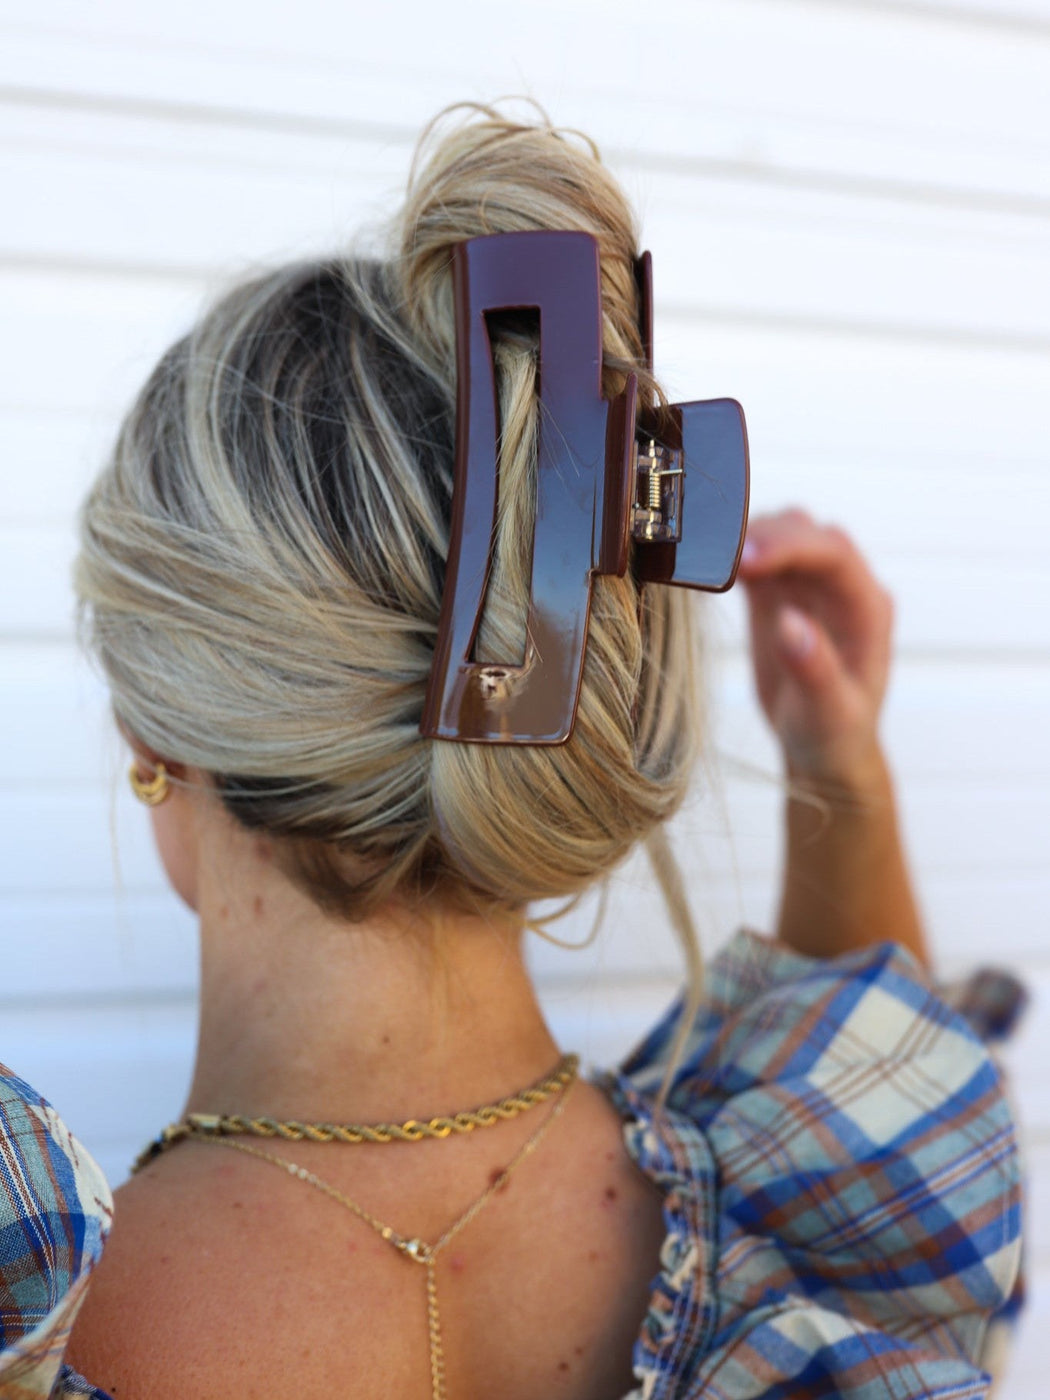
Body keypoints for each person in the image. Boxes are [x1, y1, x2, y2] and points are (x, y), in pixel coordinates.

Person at [0, 106, 1022, 1400]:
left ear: (152, 725)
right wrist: (840, 773)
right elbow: (875, 1077)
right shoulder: (831, 1222)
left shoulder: (36, 1322)